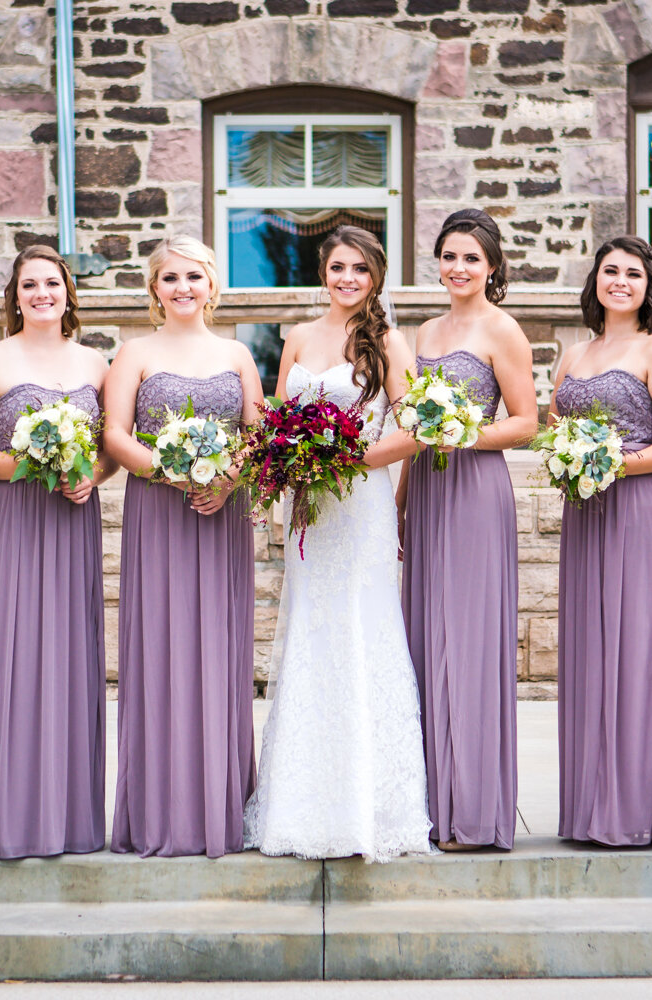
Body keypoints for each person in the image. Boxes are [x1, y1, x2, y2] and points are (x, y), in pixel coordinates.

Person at [243, 226, 434, 863]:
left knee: (362, 629)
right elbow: (276, 423)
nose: (346, 278)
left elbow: (413, 433)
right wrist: (293, 468)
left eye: (359, 269)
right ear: (322, 272)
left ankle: (368, 806)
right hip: (311, 514)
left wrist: (345, 461)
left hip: (363, 507)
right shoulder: (298, 336)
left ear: (375, 276)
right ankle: (303, 802)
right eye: (336, 267)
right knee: (311, 631)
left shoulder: (388, 342)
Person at [101, 236, 264, 858]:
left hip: (221, 514)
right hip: (159, 513)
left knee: (220, 651)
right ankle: (162, 810)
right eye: (170, 278)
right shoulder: (134, 353)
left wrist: (228, 479)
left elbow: (257, 433)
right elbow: (114, 434)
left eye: (193, 276)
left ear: (212, 285)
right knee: (162, 648)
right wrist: (164, 471)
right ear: (154, 290)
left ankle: (220, 808)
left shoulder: (237, 355)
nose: (183, 288)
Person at [0, 245, 115, 858]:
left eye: (52, 283)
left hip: (72, 519)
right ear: (14, 296)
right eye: (30, 285)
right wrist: (31, 462)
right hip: (16, 517)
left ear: (68, 292)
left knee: (73, 657)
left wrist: (92, 475)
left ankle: (72, 818)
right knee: (15, 654)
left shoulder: (95, 362)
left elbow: (108, 445)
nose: (42, 293)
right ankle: (11, 818)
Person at [551, 234, 652, 846]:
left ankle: (639, 809)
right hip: (585, 513)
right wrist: (570, 457)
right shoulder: (573, 354)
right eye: (609, 271)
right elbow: (553, 425)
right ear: (595, 282)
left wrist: (615, 463)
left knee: (635, 648)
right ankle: (591, 807)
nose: (619, 282)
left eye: (632, 274)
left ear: (648, 287)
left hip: (637, 508)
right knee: (590, 649)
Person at [401, 209, 536, 851]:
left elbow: (526, 422)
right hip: (427, 487)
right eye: (450, 256)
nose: (459, 268)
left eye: (472, 259)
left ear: (491, 267)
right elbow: (407, 427)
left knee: (471, 644)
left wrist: (462, 434)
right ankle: (428, 805)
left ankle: (473, 812)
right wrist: (400, 503)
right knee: (427, 641)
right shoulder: (424, 331)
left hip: (477, 490)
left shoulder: (502, 330)